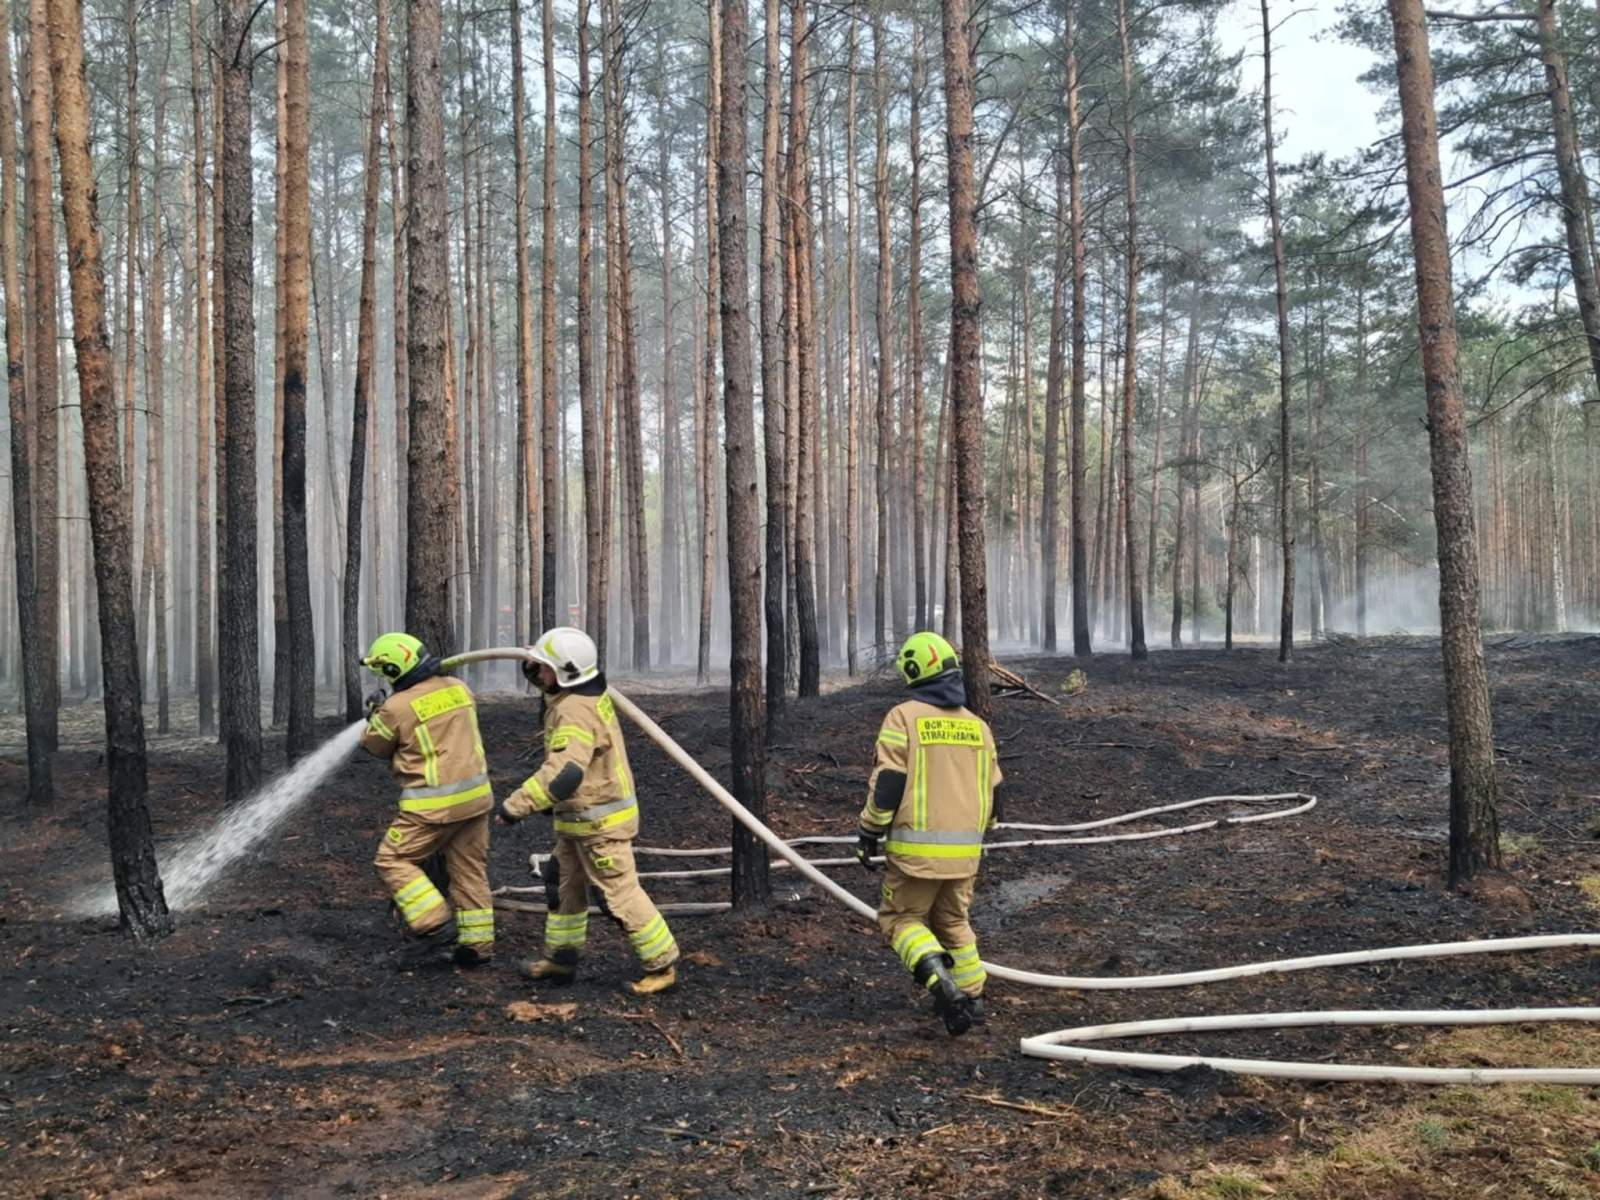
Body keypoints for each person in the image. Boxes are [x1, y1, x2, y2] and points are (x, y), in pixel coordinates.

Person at [495, 627, 680, 996]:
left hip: (600, 824)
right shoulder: (578, 695)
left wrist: (515, 807)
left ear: (564, 673)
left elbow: (564, 772)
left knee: (619, 894)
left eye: (543, 669)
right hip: (580, 820)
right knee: (565, 889)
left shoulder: (575, 712)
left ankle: (662, 965)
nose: (537, 674)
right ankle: (561, 959)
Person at [854, 632, 1001, 1036]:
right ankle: (972, 995)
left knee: (901, 919)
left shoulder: (903, 718)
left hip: (915, 856)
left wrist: (869, 829)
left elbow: (888, 784)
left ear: (914, 672)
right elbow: (995, 792)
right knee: (954, 920)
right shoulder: (978, 727)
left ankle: (939, 981)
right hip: (967, 855)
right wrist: (984, 832)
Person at [359, 632, 495, 966]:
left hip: (433, 806)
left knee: (392, 859)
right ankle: (477, 947)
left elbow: (375, 745)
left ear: (394, 669)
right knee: (469, 871)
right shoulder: (459, 688)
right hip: (476, 799)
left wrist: (376, 714)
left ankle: (434, 923)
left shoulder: (396, 708)